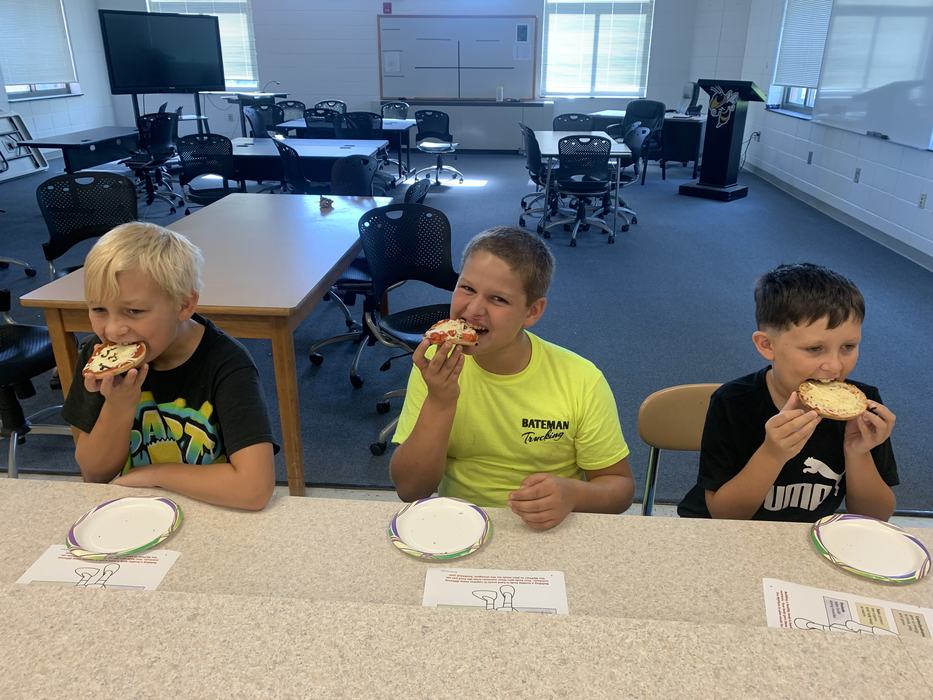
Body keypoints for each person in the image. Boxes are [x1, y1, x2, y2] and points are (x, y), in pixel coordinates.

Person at [390, 226, 634, 530]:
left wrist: (574, 494)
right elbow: (410, 489)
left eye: (498, 299)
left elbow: (620, 488)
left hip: (547, 529)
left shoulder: (581, 380)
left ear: (532, 312)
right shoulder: (437, 363)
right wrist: (440, 402)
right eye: (467, 288)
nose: (473, 310)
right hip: (459, 525)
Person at [62, 222, 276, 510]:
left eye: (134, 311)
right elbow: (94, 473)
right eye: (99, 309)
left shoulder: (227, 363)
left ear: (184, 305)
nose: (112, 331)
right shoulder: (99, 358)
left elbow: (254, 490)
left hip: (213, 510)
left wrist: (156, 475)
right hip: (132, 511)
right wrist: (119, 404)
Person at [678, 263, 897, 521]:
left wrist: (858, 453)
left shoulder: (862, 407)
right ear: (767, 345)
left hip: (806, 534)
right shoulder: (733, 403)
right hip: (723, 532)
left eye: (848, 347)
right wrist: (772, 454)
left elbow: (876, 517)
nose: (835, 366)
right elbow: (724, 515)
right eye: (815, 349)